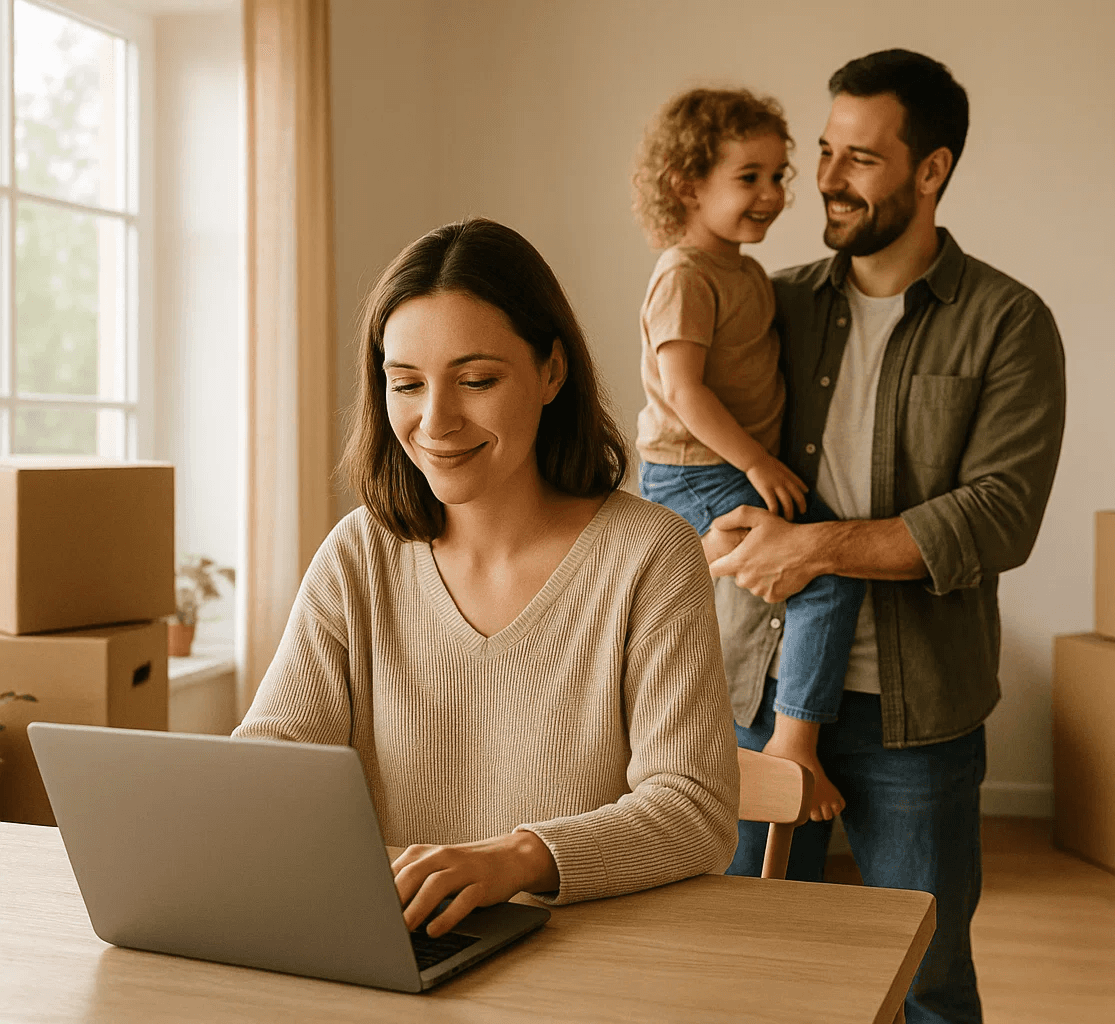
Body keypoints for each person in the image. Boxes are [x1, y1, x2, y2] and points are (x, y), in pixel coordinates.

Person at [234, 218, 739, 938]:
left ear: (551, 373)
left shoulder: (651, 555)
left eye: (475, 380)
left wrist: (517, 859)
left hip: (590, 965)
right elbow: (276, 755)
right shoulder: (360, 554)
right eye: (405, 384)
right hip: (400, 952)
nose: (434, 421)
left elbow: (695, 810)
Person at [707, 51, 1067, 1024]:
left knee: (927, 979)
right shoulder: (770, 300)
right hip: (762, 690)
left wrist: (814, 548)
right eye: (824, 151)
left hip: (920, 714)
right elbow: (690, 434)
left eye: (859, 158)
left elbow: (1000, 513)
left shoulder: (1008, 322)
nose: (824, 178)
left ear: (931, 170)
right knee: (754, 964)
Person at [630, 87, 864, 821]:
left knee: (809, 573)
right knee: (826, 571)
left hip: (725, 462)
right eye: (748, 177)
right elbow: (686, 392)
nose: (770, 195)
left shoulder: (744, 272)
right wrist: (759, 463)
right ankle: (792, 747)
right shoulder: (686, 275)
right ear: (686, 184)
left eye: (777, 175)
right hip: (694, 468)